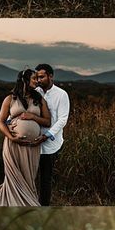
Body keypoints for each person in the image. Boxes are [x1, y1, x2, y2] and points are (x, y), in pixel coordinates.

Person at [0, 68, 50, 207]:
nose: (37, 81)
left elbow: (47, 121)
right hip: (13, 145)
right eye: (34, 78)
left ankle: (27, 203)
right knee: (15, 179)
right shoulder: (10, 99)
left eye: (38, 78)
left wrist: (33, 117)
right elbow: (0, 122)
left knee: (28, 178)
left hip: (32, 147)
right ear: (24, 80)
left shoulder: (39, 99)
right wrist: (11, 137)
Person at [35, 63, 70, 206]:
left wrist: (46, 135)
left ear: (50, 76)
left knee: (45, 178)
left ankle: (43, 207)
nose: (39, 80)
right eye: (37, 77)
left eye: (42, 77)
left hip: (50, 144)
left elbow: (62, 120)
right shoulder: (35, 92)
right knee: (30, 176)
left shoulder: (61, 95)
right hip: (32, 142)